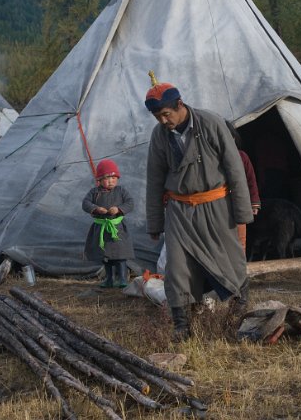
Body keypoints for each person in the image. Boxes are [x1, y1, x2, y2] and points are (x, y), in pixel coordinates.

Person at [144, 72, 253, 342]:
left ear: (180, 105)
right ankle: (183, 325)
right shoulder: (159, 136)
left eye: (166, 114)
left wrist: (241, 213)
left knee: (229, 260)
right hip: (180, 212)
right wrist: (155, 223)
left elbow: (235, 169)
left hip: (215, 207)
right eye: (158, 117)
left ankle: (238, 310)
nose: (163, 121)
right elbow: (154, 179)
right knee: (177, 268)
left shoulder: (212, 124)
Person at [82, 159, 135, 288]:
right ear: (99, 180)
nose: (110, 181)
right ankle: (109, 279)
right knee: (106, 256)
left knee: (120, 255)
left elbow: (130, 203)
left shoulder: (121, 191)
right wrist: (96, 208)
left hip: (117, 229)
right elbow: (85, 203)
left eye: (113, 177)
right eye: (107, 178)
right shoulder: (94, 192)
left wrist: (118, 209)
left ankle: (122, 279)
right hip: (101, 229)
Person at [225, 120, 261, 253]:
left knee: (240, 237)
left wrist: (254, 202)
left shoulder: (242, 157)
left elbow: (251, 180)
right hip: (220, 204)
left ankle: (240, 267)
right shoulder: (213, 159)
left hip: (240, 202)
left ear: (234, 138)